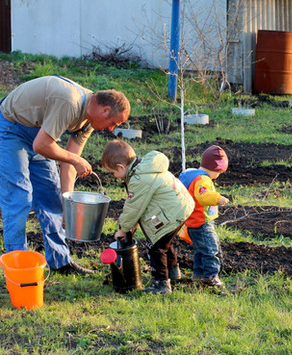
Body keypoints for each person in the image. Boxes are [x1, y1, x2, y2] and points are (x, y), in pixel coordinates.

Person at [0, 75, 130, 275]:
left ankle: (60, 261)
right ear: (104, 110)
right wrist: (76, 160)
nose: (111, 129)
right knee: (20, 197)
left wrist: (66, 203)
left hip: (40, 135)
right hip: (11, 128)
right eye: (113, 122)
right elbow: (45, 147)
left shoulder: (88, 123)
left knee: (52, 197)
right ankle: (19, 266)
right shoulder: (70, 102)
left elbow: (68, 164)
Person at [101, 139, 194, 294]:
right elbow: (143, 203)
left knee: (156, 248)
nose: (115, 176)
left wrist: (123, 229)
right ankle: (173, 271)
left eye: (113, 173)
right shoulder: (146, 169)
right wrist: (134, 224)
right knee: (165, 242)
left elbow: (133, 207)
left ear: (121, 167)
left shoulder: (139, 179)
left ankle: (161, 283)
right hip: (181, 206)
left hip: (171, 212)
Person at [178, 145, 230, 288]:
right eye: (219, 172)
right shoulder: (203, 180)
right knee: (210, 249)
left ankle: (198, 275)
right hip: (201, 222)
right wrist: (219, 198)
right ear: (215, 168)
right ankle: (211, 277)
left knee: (201, 250)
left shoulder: (191, 174)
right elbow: (204, 196)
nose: (218, 176)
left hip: (192, 220)